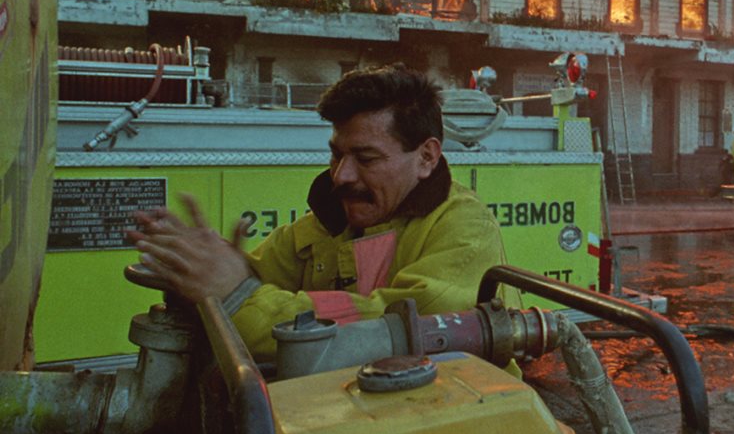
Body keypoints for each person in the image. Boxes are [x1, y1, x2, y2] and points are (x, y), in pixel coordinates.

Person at [129, 64, 516, 358]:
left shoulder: (465, 228)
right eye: (336, 154)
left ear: (426, 157)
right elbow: (255, 278)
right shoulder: (324, 226)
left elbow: (399, 327)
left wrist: (235, 297)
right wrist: (203, 266)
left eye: (366, 158)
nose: (341, 175)